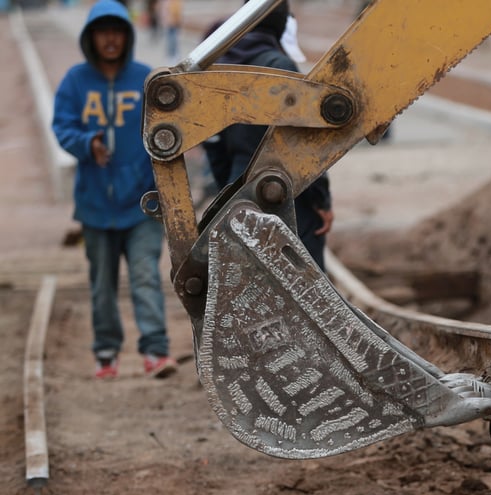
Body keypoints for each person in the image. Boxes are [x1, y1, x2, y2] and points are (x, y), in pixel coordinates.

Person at [52, 0, 176, 380]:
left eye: (117, 31)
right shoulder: (75, 81)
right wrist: (86, 143)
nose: (110, 39)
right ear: (91, 38)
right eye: (103, 32)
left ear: (128, 35)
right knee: (101, 284)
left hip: (141, 204)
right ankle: (106, 353)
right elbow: (63, 127)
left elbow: (167, 132)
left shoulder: (145, 80)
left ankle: (156, 351)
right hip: (94, 205)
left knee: (144, 276)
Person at [201, 0, 334, 270]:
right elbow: (305, 139)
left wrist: (227, 188)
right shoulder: (279, 65)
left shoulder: (221, 68)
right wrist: (321, 200)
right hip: (288, 190)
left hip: (237, 189)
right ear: (283, 24)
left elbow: (212, 141)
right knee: (303, 282)